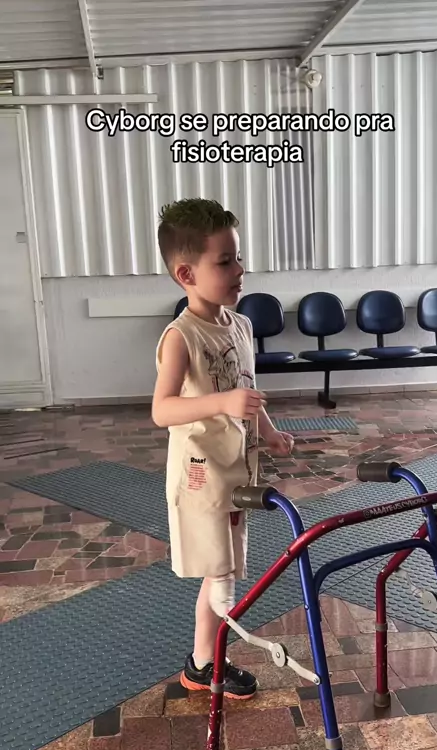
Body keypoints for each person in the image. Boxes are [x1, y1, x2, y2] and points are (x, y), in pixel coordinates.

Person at [151, 197, 294, 700]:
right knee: (220, 575)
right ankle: (205, 663)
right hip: (201, 478)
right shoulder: (181, 337)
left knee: (226, 570)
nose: (240, 270)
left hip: (237, 472)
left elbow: (246, 390)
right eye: (225, 261)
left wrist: (269, 432)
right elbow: (162, 410)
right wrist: (222, 403)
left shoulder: (241, 326)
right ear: (186, 274)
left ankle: (203, 661)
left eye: (239, 258)